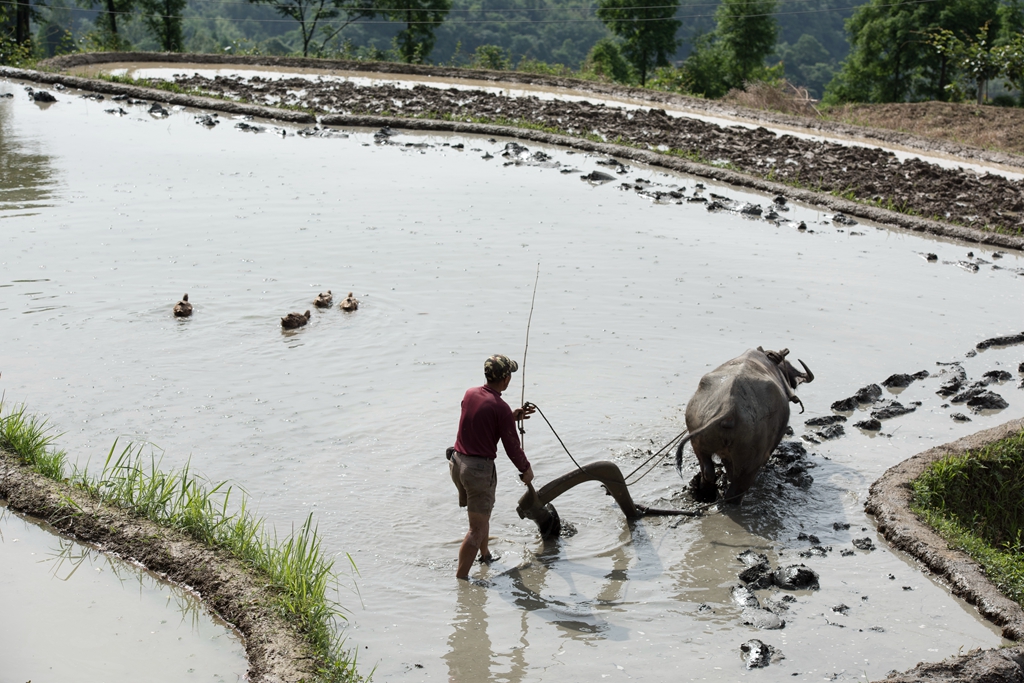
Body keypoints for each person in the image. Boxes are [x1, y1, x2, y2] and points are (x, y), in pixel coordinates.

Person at [449, 354, 536, 580]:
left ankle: (485, 555)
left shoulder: (470, 394)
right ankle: (462, 581)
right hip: (478, 471)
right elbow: (512, 447)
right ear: (505, 379)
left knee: (482, 516)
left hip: (458, 463)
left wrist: (508, 417)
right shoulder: (500, 407)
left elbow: (479, 419)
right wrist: (526, 470)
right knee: (475, 529)